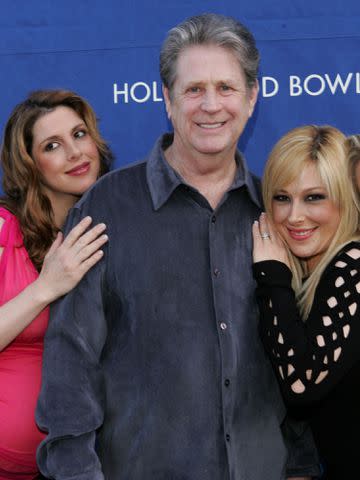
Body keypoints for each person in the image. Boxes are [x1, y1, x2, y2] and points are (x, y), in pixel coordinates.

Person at [36, 14, 319, 480]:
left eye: (227, 88)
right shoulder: (107, 207)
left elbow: (294, 356)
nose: (211, 105)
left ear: (251, 98)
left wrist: (301, 466)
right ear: (167, 100)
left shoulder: (276, 211)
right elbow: (71, 363)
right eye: (193, 90)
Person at [0, 89, 112, 479]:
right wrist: (44, 288)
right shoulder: (3, 229)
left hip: (83, 463)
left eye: (80, 134)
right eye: (53, 145)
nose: (76, 152)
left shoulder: (117, 224)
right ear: (29, 164)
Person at [252, 125, 360, 479]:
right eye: (282, 198)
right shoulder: (316, 275)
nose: (294, 216)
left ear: (344, 199)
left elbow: (301, 384)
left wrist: (272, 279)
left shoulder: (352, 264)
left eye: (314, 197)